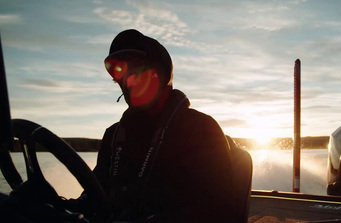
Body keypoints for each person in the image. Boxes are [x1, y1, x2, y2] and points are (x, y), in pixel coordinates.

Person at [85, 29, 236, 222]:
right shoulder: (113, 137)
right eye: (122, 75)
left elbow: (219, 211)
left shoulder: (201, 130)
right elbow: (93, 198)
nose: (129, 80)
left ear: (162, 73)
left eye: (137, 69)